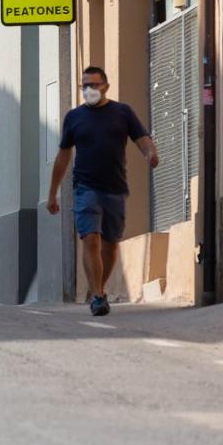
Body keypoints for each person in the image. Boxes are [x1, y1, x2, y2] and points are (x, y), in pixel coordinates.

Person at [48, 66, 159, 317]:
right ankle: (97, 295)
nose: (89, 90)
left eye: (94, 85)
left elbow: (141, 138)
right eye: (84, 86)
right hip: (85, 187)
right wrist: (52, 192)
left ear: (106, 86)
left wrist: (150, 154)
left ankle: (100, 287)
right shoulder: (74, 118)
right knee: (90, 238)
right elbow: (63, 157)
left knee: (110, 245)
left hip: (115, 188)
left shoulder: (122, 112)